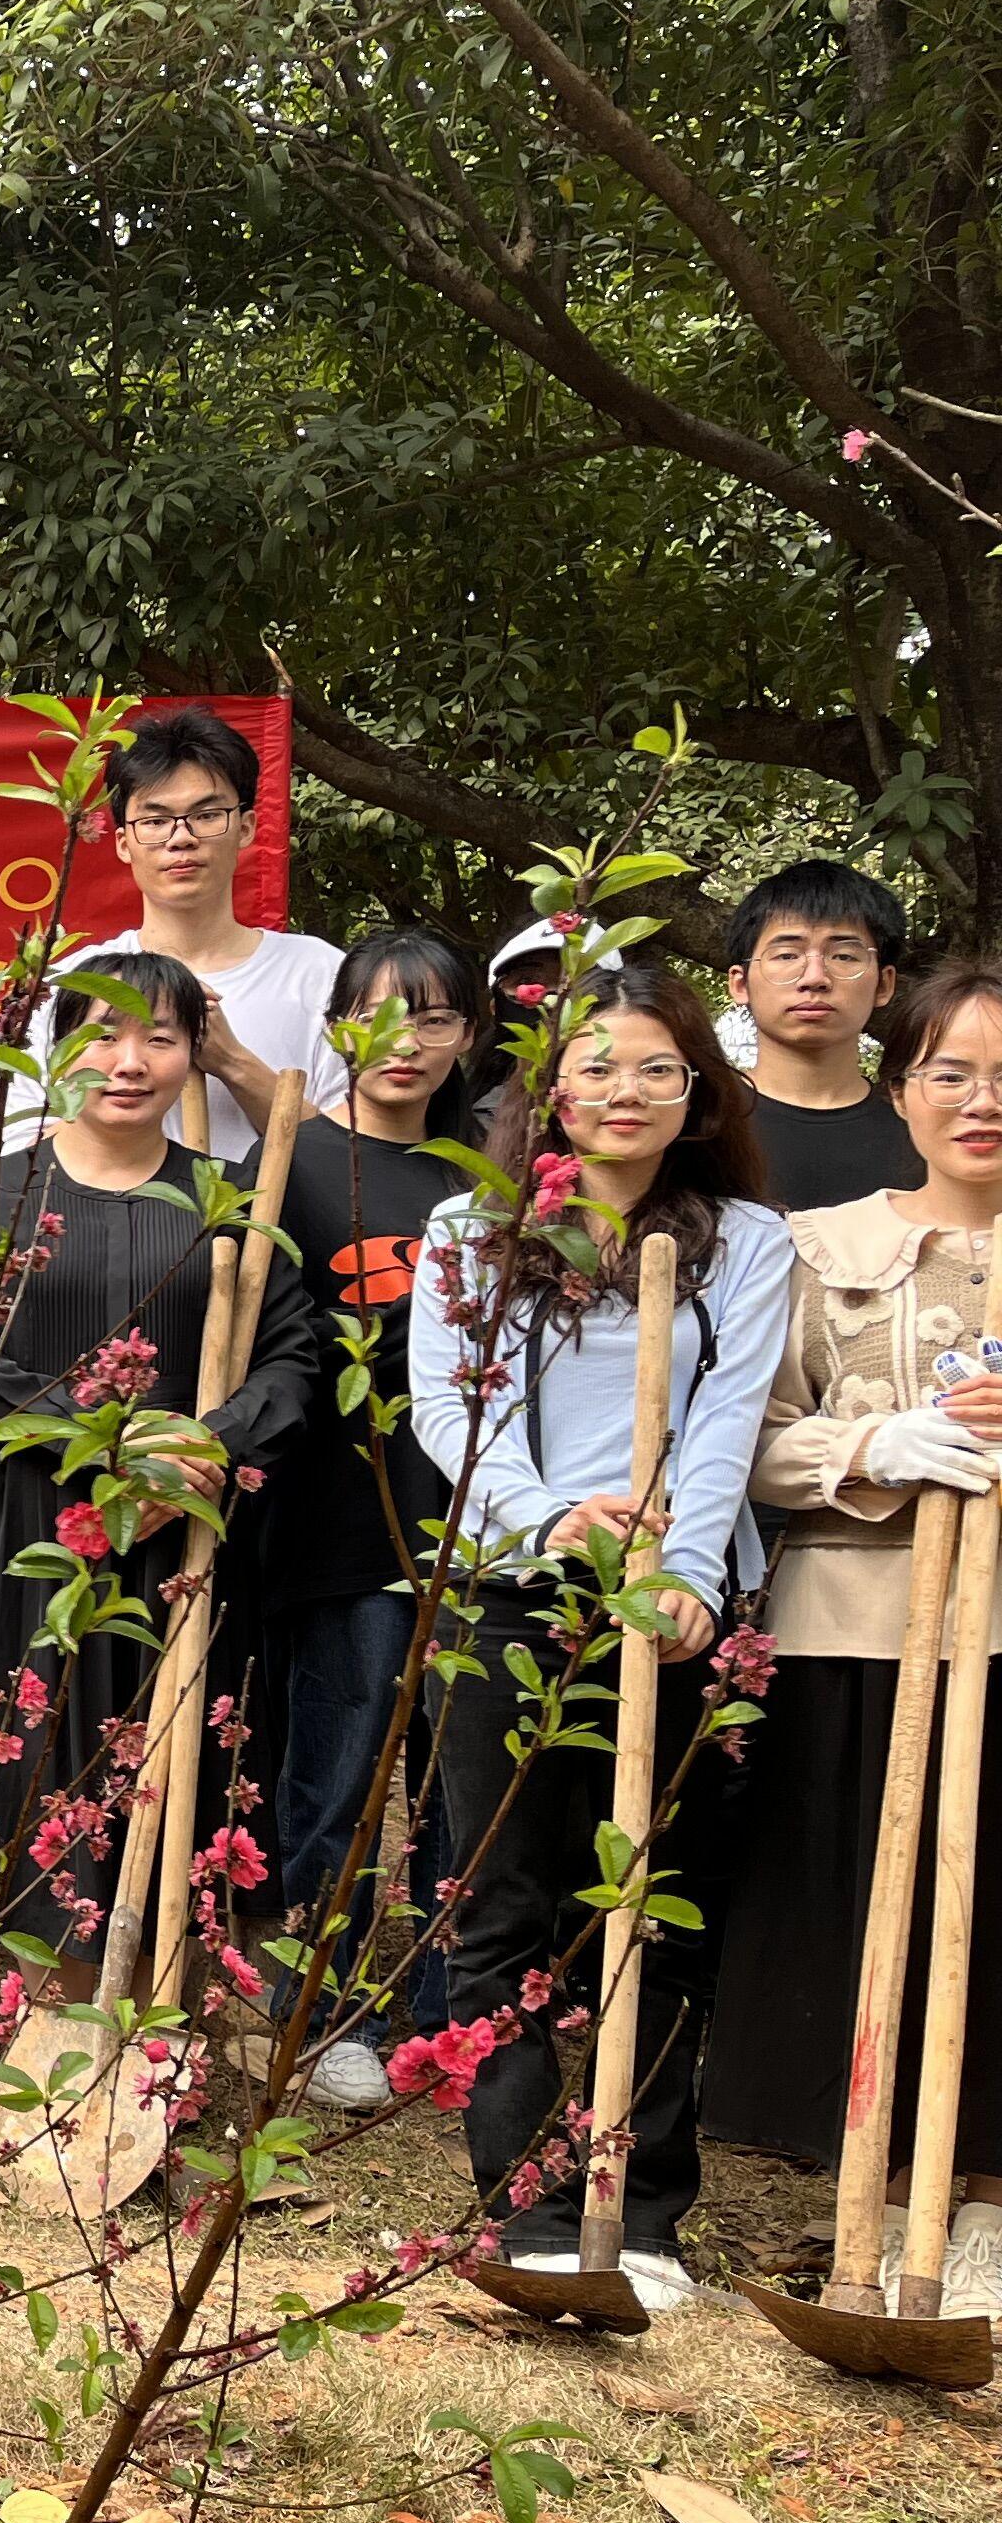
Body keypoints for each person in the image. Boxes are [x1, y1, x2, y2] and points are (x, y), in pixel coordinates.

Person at [411, 960, 792, 2310]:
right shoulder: (472, 1226)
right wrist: (551, 1518)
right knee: (504, 1902)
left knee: (661, 1915)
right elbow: (443, 1409)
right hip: (515, 1587)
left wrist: (685, 1575)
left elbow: (731, 1420)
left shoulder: (747, 1241)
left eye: (656, 1068)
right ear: (549, 1085)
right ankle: (520, 2203)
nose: (624, 1091)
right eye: (595, 1065)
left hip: (678, 1606)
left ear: (699, 1093)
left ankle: (643, 2212)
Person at [0, 954, 315, 1949]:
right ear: (59, 1052)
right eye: (102, 1035)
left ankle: (164, 1984)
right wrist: (109, 1445)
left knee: (179, 1760)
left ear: (194, 1055)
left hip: (186, 1514)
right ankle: (26, 1992)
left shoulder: (230, 1199)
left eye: (160, 1038)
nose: (129, 1062)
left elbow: (291, 1356)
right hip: (26, 1515)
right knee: (24, 1749)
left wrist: (202, 1445)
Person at [715, 960, 1002, 2312]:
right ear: (902, 1092)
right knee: (858, 1910)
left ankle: (982, 2203)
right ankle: (866, 2197)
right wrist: (876, 1443)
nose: (982, 1101)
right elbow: (746, 1444)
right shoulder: (818, 1248)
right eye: (953, 1073)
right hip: (852, 1627)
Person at [259, 931, 487, 2112]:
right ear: (339, 1025)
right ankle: (321, 2004)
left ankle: (445, 2008)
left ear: (467, 1036)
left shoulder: (486, 1174)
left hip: (478, 1521)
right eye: (380, 1016)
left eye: (434, 1017)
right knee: (341, 1765)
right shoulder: (292, 1161)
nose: (406, 1042)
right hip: (340, 1517)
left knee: (460, 1774)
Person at [65, 704, 344, 1156]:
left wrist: (231, 1062)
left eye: (207, 815)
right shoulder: (73, 983)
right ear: (123, 843)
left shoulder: (323, 975)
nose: (181, 838)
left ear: (246, 827)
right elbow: (24, 1149)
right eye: (155, 821)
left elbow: (353, 1161)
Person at [727, 859, 921, 1211]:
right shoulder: (695, 1119)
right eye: (787, 955)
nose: (814, 977)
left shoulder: (926, 1129)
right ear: (740, 984)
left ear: (884, 984)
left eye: (844, 956)